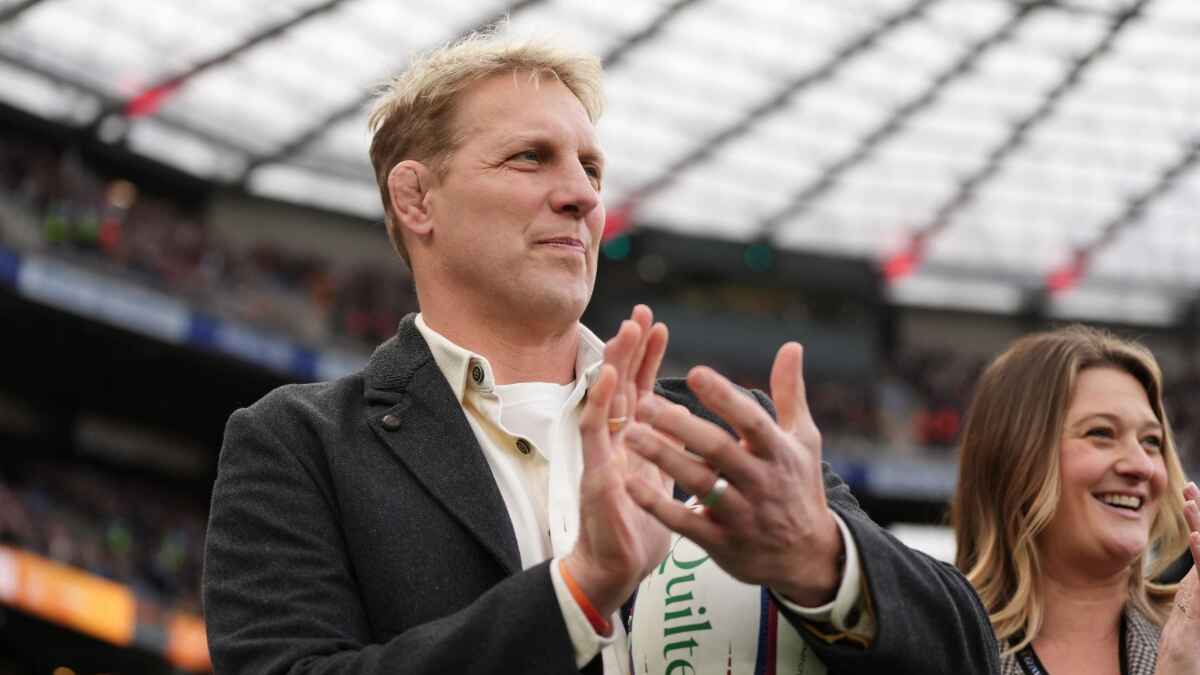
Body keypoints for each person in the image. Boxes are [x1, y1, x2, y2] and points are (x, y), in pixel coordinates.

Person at [203, 30, 997, 674]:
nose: (583, 194)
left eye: (591, 167)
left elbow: (970, 650)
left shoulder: (724, 431)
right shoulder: (301, 441)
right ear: (416, 198)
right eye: (530, 157)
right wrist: (578, 594)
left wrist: (822, 557)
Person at [951, 326, 1200, 675]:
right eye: (1101, 433)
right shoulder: (937, 644)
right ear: (1014, 457)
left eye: (1151, 442)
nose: (1142, 466)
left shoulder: (1194, 637)